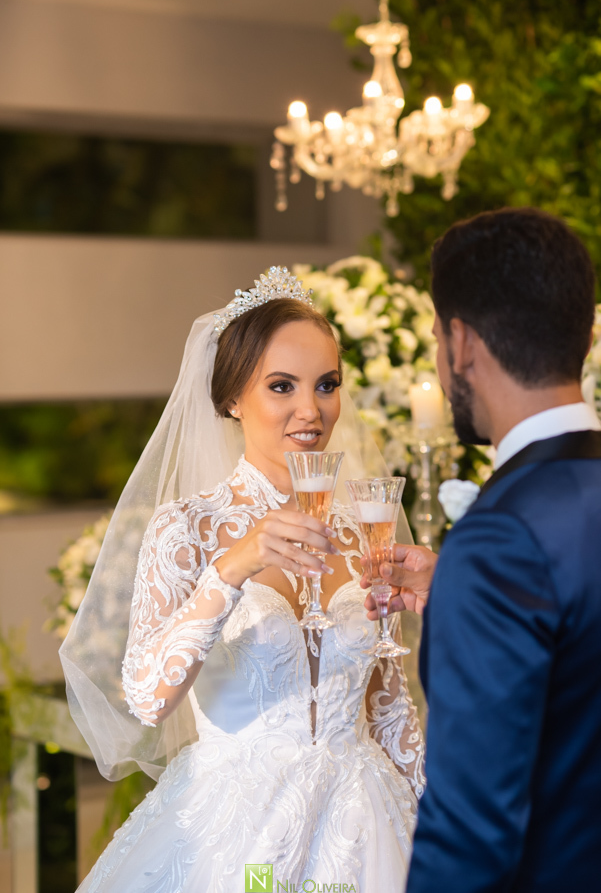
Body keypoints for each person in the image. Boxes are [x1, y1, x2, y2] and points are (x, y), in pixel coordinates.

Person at [60, 267, 424, 893]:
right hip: (236, 835)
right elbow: (147, 699)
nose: (310, 410)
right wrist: (232, 569)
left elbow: (388, 711)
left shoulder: (366, 531)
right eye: (281, 386)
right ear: (232, 399)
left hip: (369, 829)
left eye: (327, 385)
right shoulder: (189, 529)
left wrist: (444, 825)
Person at [366, 208, 601, 892]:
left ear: (459, 342)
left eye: (437, 337)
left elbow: (470, 838)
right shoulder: (513, 554)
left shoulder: (499, 542)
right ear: (584, 335)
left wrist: (479, 584)